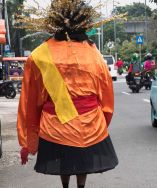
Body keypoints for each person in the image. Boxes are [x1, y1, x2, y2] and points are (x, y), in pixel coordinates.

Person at [16, 1, 118, 188]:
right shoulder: (93, 52)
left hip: (56, 125)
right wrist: (104, 119)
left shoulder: (39, 55)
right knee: (83, 162)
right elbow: (106, 93)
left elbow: (30, 100)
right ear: (83, 23)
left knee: (64, 161)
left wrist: (28, 137)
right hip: (90, 124)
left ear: (52, 23)